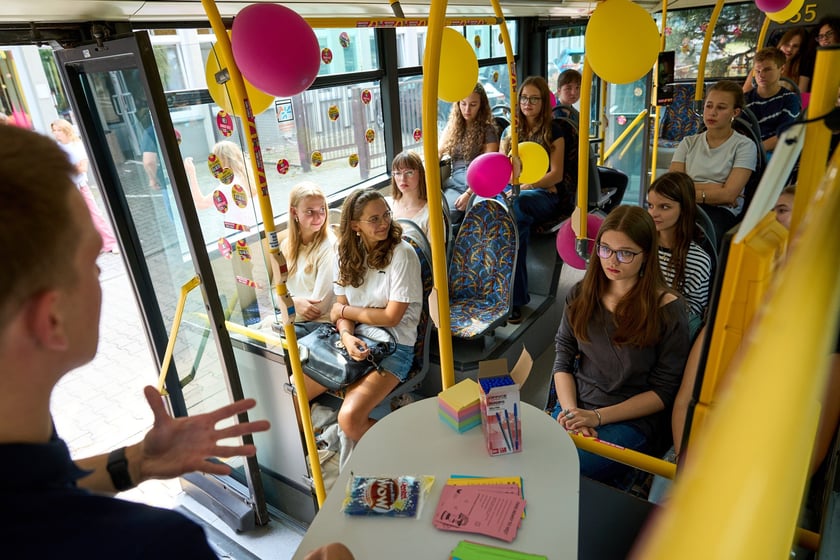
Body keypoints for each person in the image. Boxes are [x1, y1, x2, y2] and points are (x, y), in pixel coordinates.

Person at [0, 124, 273, 557]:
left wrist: (139, 460)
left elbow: (38, 485)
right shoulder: (158, 545)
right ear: (50, 319)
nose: (101, 278)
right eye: (93, 264)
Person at [551, 205, 690, 485]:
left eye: (625, 253)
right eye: (604, 249)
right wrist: (570, 413)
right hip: (575, 405)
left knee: (561, 466)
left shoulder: (669, 310)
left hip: (630, 419)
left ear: (646, 256)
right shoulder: (581, 294)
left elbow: (662, 393)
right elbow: (563, 357)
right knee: (541, 457)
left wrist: (596, 417)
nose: (612, 260)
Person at [302, 189, 422, 443]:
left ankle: (403, 457)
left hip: (395, 346)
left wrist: (343, 312)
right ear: (356, 225)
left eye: (386, 215)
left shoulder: (402, 254)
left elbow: (392, 317)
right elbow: (341, 310)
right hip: (355, 338)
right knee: (293, 391)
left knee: (350, 419)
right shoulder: (343, 254)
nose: (384, 223)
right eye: (374, 219)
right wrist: (345, 335)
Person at [502, 76, 577, 323]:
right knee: (513, 221)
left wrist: (526, 185)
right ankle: (506, 294)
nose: (528, 103)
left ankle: (513, 298)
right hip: (515, 196)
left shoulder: (555, 130)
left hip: (545, 195)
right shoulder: (510, 132)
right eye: (524, 98)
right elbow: (501, 168)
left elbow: (555, 174)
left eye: (534, 99)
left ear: (544, 102)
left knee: (517, 208)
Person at [669, 80, 758, 246]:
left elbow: (729, 195)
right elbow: (673, 187)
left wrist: (689, 190)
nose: (712, 112)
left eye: (721, 107)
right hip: (683, 206)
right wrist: (717, 189)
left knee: (696, 236)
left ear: (735, 112)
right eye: (709, 106)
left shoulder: (745, 146)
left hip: (721, 211)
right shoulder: (688, 143)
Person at [647, 172, 712, 338]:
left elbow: (690, 316)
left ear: (684, 209)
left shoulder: (698, 260)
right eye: (650, 205)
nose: (654, 213)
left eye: (664, 207)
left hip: (667, 331)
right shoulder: (641, 244)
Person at [51, 118, 119, 254]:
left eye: (59, 130)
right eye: (54, 131)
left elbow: (83, 168)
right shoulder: (55, 148)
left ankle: (110, 243)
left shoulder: (77, 145)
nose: (56, 134)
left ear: (66, 130)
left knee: (94, 214)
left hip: (80, 186)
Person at [439, 83, 500, 224]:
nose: (467, 109)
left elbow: (488, 168)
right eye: (463, 104)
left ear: (481, 105)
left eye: (473, 105)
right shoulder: (452, 127)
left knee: (479, 215)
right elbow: (438, 152)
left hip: (480, 186)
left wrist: (469, 194)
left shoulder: (488, 130)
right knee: (443, 217)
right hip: (456, 184)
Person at [280, 182, 336, 336]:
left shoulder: (329, 247)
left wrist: (287, 303)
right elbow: (275, 289)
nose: (318, 217)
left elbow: (318, 309)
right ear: (294, 212)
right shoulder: (286, 246)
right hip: (292, 317)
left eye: (322, 210)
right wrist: (294, 302)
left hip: (318, 325)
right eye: (310, 211)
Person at [186, 140, 259, 229]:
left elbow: (200, 204)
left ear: (221, 161)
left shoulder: (229, 185)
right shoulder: (248, 176)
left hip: (239, 236)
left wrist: (191, 174)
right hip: (252, 230)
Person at [744, 47, 802, 154]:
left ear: (782, 69)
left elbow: (785, 135)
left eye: (767, 70)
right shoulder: (745, 99)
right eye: (757, 71)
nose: (761, 75)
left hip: (778, 153)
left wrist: (753, 151)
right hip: (748, 150)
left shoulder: (790, 99)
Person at [743, 28, 808, 94]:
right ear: (780, 44)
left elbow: (800, 98)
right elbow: (745, 93)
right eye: (787, 44)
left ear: (799, 50)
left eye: (795, 46)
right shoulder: (761, 66)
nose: (789, 49)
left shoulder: (798, 71)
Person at [385, 151, 430, 237]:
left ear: (420, 174)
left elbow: (435, 249)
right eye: (398, 173)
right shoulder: (386, 205)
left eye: (409, 173)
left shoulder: (430, 213)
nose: (403, 179)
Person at [798, 16, 840, 93]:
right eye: (821, 36)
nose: (824, 39)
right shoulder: (810, 61)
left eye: (829, 34)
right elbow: (802, 92)